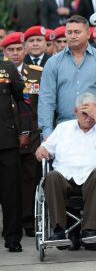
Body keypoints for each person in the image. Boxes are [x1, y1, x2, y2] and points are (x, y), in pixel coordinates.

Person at [35, 93, 96, 251]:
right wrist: (41, 149)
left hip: (93, 183)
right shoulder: (63, 128)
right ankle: (59, 231)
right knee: (51, 176)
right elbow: (45, 147)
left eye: (92, 113)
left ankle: (89, 230)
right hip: (65, 181)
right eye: (84, 114)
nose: (88, 118)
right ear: (75, 111)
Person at [38, 15, 96, 139]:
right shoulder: (53, 63)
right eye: (69, 32)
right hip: (63, 128)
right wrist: (47, 132)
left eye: (77, 32)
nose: (73, 36)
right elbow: (46, 99)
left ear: (88, 34)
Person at [1, 32, 44, 238]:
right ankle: (12, 224)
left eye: (19, 49)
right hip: (7, 135)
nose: (16, 54)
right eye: (11, 50)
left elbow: (33, 104)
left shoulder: (36, 73)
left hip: (30, 134)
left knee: (28, 179)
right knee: (9, 183)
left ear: (25, 50)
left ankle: (27, 221)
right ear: (5, 52)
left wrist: (30, 131)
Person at [0, 33, 32, 253]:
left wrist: (25, 130)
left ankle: (13, 237)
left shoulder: (6, 68)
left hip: (7, 140)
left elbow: (24, 100)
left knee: (11, 192)